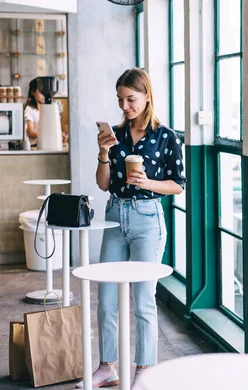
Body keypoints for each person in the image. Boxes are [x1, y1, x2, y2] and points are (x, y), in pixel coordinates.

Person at [76, 68, 185, 389]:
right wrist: (103, 153)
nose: (125, 106)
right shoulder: (117, 135)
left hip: (147, 219)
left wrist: (147, 182)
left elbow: (178, 186)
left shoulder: (167, 137)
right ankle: (107, 366)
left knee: (143, 299)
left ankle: (145, 369)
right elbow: (103, 183)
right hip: (115, 215)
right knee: (106, 298)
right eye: (121, 100)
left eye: (131, 99)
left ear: (147, 96)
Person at [24, 78, 68, 147]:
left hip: (48, 144)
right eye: (41, 92)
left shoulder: (48, 109)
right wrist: (50, 134)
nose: (44, 95)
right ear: (33, 92)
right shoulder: (29, 109)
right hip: (34, 146)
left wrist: (60, 135)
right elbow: (31, 132)